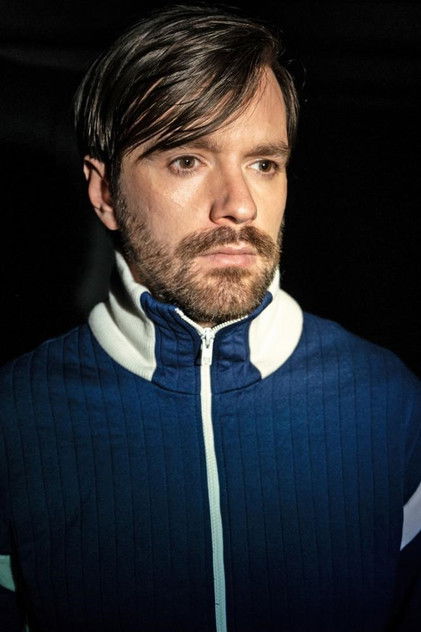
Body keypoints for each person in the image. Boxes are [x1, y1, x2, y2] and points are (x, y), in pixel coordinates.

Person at [0, 5, 420, 631]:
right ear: (105, 192)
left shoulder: (392, 404)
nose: (240, 205)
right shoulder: (13, 419)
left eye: (263, 164)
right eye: (187, 160)